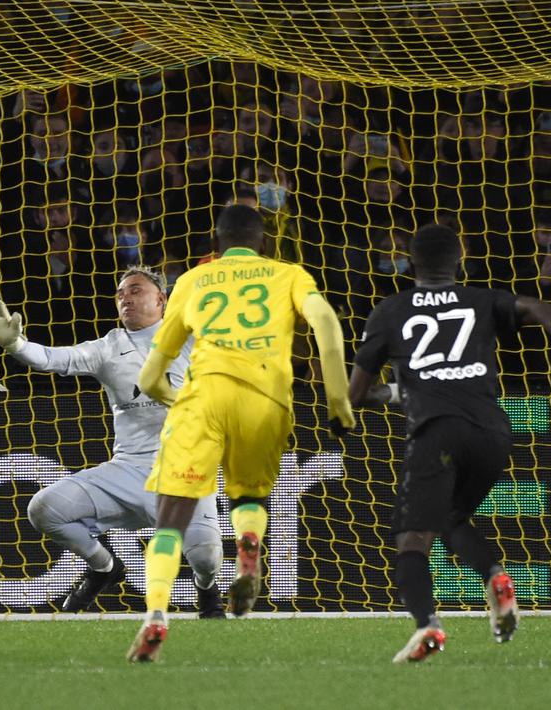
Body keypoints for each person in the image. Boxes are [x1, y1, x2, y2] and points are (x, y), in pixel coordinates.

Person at [347, 224, 551, 663]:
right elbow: (540, 308)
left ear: (411, 264)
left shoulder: (389, 310)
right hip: (493, 431)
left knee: (412, 538)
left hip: (438, 431)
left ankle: (427, 626)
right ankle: (496, 579)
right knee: (450, 518)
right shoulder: (481, 299)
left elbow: (357, 395)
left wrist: (402, 390)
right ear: (460, 260)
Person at [127, 204, 354, 662]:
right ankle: (248, 547)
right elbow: (327, 323)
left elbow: (151, 376)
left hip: (205, 396)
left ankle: (155, 615)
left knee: (170, 520)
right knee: (248, 498)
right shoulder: (289, 274)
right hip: (267, 399)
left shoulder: (192, 280)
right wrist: (337, 400)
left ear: (217, 244)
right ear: (263, 242)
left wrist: (179, 401)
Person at [0, 266, 226, 618]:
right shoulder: (109, 348)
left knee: (206, 556)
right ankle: (105, 567)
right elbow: (51, 359)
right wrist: (15, 344)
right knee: (44, 510)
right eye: (121, 293)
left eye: (136, 290)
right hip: (129, 471)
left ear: (162, 299)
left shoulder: (192, 339)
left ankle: (207, 590)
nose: (126, 297)